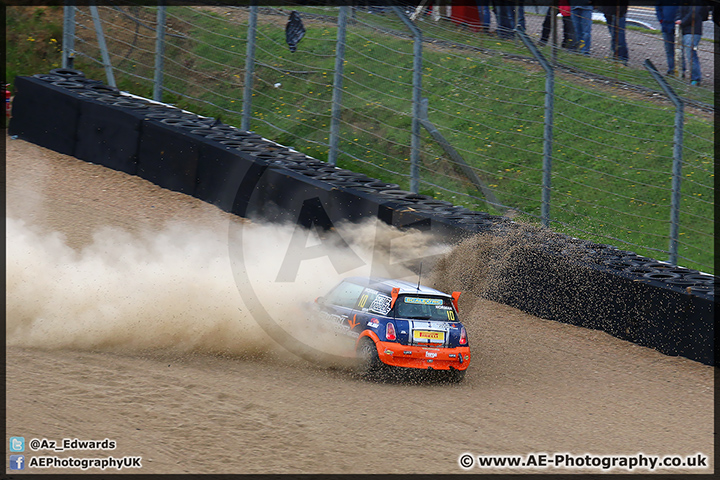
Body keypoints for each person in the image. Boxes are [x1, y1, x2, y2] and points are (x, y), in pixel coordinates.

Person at [676, 0, 708, 85]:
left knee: (690, 53)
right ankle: (680, 73)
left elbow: (695, 13)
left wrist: (683, 22)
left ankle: (695, 78)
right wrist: (678, 20)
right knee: (680, 51)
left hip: (693, 30)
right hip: (683, 29)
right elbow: (679, 12)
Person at [655, 1, 679, 75]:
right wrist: (661, 20)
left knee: (680, 49)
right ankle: (671, 69)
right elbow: (658, 7)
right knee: (669, 49)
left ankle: (681, 71)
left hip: (679, 25)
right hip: (666, 25)